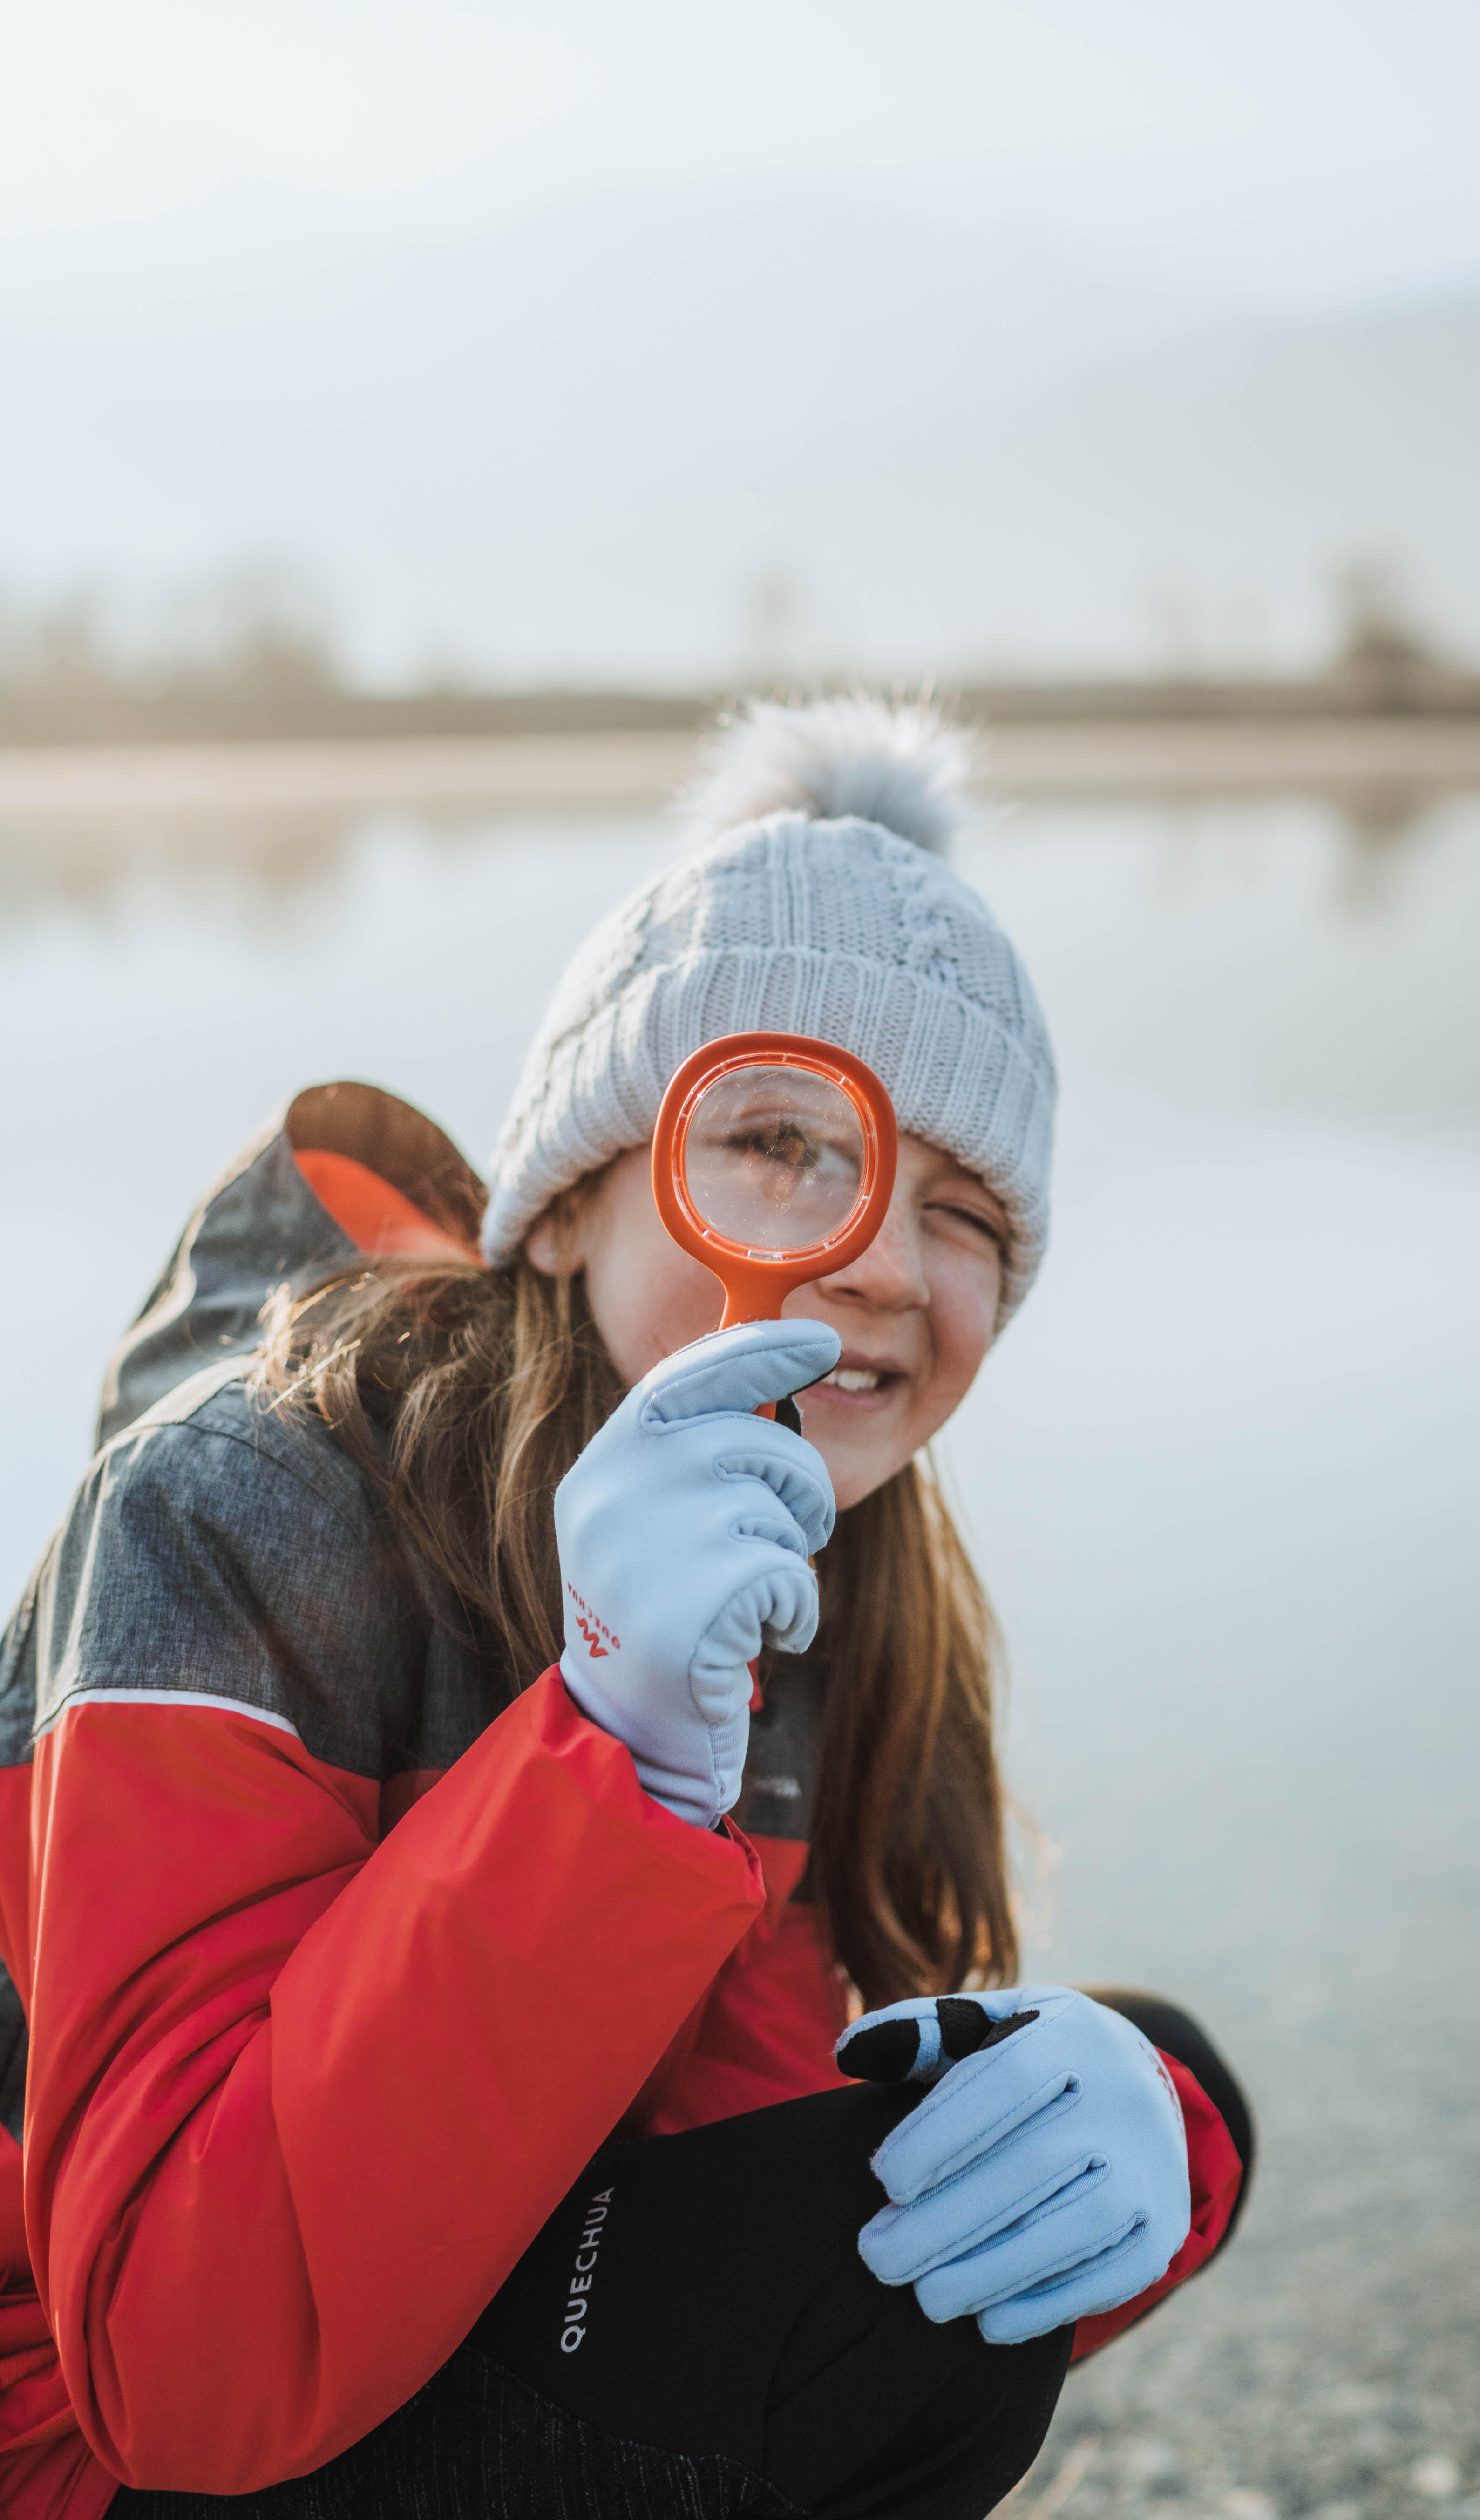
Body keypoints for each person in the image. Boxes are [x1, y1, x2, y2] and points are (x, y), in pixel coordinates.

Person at [0, 696, 1253, 2519]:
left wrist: (1151, 2153)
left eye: (967, 1207)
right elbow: (166, 2373)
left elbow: (726, 2152)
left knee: (1126, 2094)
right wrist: (603, 1761)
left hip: (429, 2316)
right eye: (775, 1139)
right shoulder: (235, 1502)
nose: (879, 1262)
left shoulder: (811, 1562)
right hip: (85, 2452)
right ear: (571, 1201)